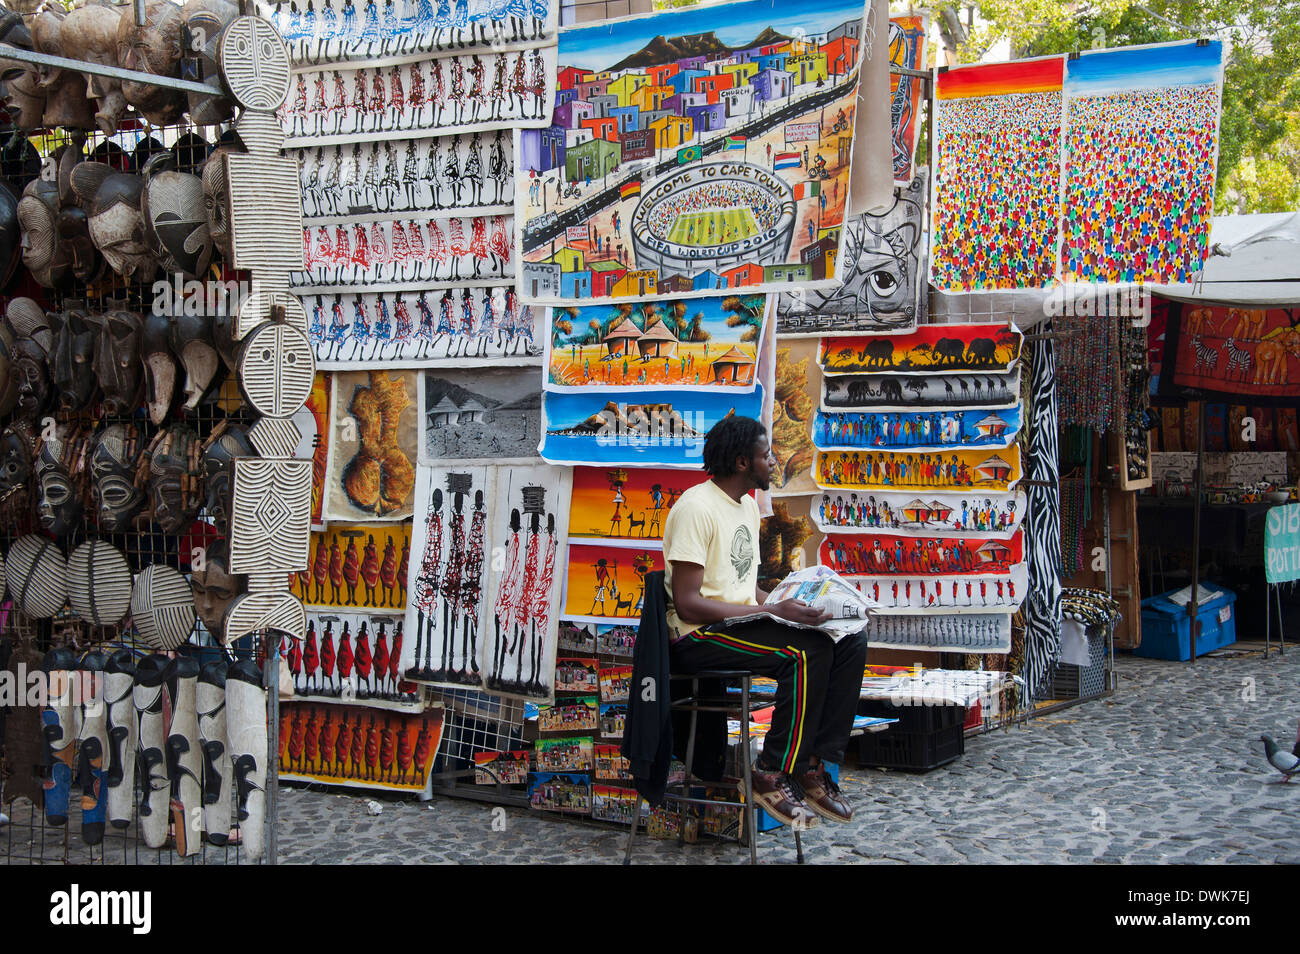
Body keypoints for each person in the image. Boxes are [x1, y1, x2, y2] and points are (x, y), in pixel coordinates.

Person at [662, 415, 868, 828]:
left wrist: (791, 605)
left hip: (737, 624)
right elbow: (687, 604)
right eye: (766, 455)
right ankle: (772, 770)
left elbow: (744, 589)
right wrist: (771, 612)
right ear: (742, 462)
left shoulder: (745, 507)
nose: (774, 461)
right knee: (806, 651)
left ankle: (812, 765)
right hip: (698, 637)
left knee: (848, 638)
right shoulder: (695, 508)